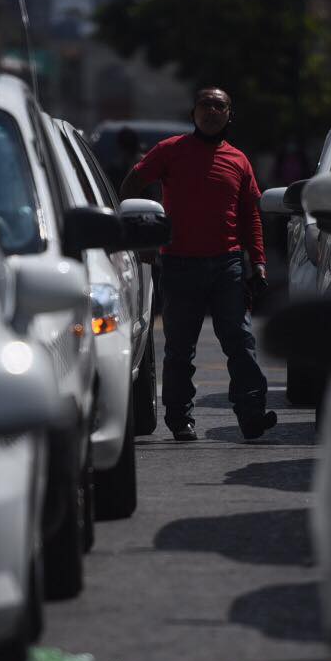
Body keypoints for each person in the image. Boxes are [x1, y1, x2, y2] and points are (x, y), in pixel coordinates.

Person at [121, 86, 276, 442]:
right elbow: (133, 183)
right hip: (179, 264)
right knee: (179, 348)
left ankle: (252, 414)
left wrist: (260, 264)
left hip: (228, 266)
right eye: (204, 105)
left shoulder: (238, 160)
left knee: (240, 341)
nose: (211, 111)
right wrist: (140, 234)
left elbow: (251, 216)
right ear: (194, 113)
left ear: (228, 115)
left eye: (219, 105)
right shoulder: (170, 151)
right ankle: (180, 419)